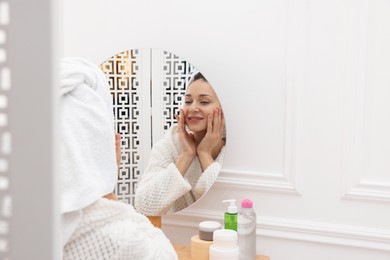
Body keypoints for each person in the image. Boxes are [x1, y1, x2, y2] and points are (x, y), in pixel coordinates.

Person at [59, 57, 178, 259]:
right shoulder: (116, 239)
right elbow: (148, 203)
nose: (193, 108)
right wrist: (107, 189)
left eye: (203, 101)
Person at [135, 72, 226, 216]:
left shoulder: (233, 151)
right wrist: (186, 156)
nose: (192, 108)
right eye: (188, 101)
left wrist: (204, 154)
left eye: (204, 102)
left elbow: (225, 207)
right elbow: (144, 207)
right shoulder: (168, 146)